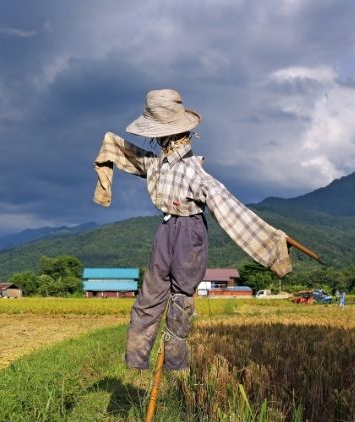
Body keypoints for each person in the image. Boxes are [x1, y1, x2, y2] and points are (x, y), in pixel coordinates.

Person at [93, 89, 293, 371]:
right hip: (167, 228)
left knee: (180, 299)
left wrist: (274, 244)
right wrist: (106, 162)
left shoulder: (195, 173)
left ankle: (175, 366)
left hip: (189, 232)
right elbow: (121, 150)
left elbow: (233, 213)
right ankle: (137, 361)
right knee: (150, 295)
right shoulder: (156, 164)